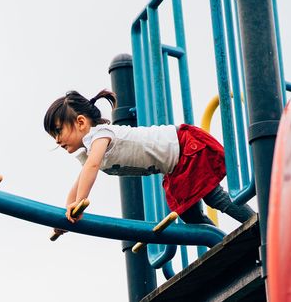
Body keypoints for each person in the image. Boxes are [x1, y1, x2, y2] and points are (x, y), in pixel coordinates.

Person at [44, 89, 255, 226]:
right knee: (189, 215)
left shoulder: (100, 135)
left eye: (58, 131)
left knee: (213, 196)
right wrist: (66, 214)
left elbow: (92, 167)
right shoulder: (91, 148)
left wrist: (80, 201)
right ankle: (221, 244)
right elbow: (81, 178)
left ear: (81, 122)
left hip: (185, 147)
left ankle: (257, 224)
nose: (57, 140)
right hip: (175, 167)